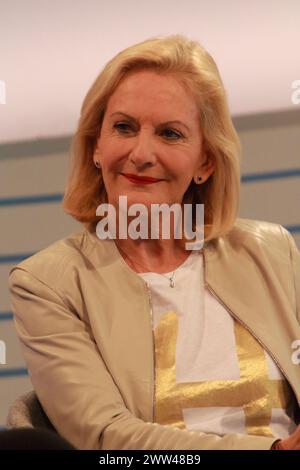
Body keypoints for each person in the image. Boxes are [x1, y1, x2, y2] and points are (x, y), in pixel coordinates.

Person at [8, 34, 300, 450]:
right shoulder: (48, 283)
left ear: (205, 162)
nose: (142, 153)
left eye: (170, 134)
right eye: (123, 127)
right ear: (96, 146)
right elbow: (104, 436)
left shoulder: (272, 251)